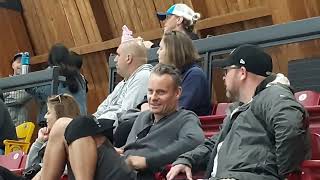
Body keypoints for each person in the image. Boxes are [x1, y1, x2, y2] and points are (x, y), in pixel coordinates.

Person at [166, 44, 311, 180]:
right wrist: (188, 159)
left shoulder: (272, 94)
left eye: (227, 70)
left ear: (242, 72)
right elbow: (214, 144)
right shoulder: (241, 109)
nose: (223, 77)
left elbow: (290, 125)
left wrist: (284, 174)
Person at [39, 64, 205, 180]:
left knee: (70, 125)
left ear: (177, 93)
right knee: (64, 127)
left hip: (137, 175)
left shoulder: (185, 118)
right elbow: (133, 147)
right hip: (121, 164)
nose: (153, 98)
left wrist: (147, 160)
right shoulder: (142, 117)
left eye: (161, 92)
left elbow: (195, 140)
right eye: (150, 91)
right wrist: (122, 150)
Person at [0, 94, 80, 180]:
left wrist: (43, 168)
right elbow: (29, 167)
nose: (45, 116)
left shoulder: (73, 141)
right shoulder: (48, 139)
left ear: (60, 115)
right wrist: (39, 141)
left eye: (49, 112)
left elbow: (68, 169)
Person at [92, 37, 153, 127]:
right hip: (103, 124)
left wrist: (95, 125)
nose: (115, 59)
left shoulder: (143, 76)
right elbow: (102, 108)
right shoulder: (123, 83)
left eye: (118, 55)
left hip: (112, 129)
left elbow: (126, 113)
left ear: (128, 58)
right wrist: (92, 121)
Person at [26, 44, 87, 126]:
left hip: (61, 124)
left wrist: (28, 86)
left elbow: (45, 94)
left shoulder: (51, 74)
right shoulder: (79, 76)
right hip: (81, 120)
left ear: (51, 58)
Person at [157, 30, 211, 115]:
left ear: (173, 50)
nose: (157, 52)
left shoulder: (194, 75)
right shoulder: (168, 75)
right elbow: (147, 100)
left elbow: (179, 110)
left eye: (161, 48)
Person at [3, 52, 32, 126]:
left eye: (23, 63)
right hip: (5, 125)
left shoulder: (30, 83)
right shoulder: (4, 83)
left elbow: (20, 98)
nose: (20, 65)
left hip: (20, 125)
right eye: (18, 62)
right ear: (13, 65)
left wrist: (3, 99)